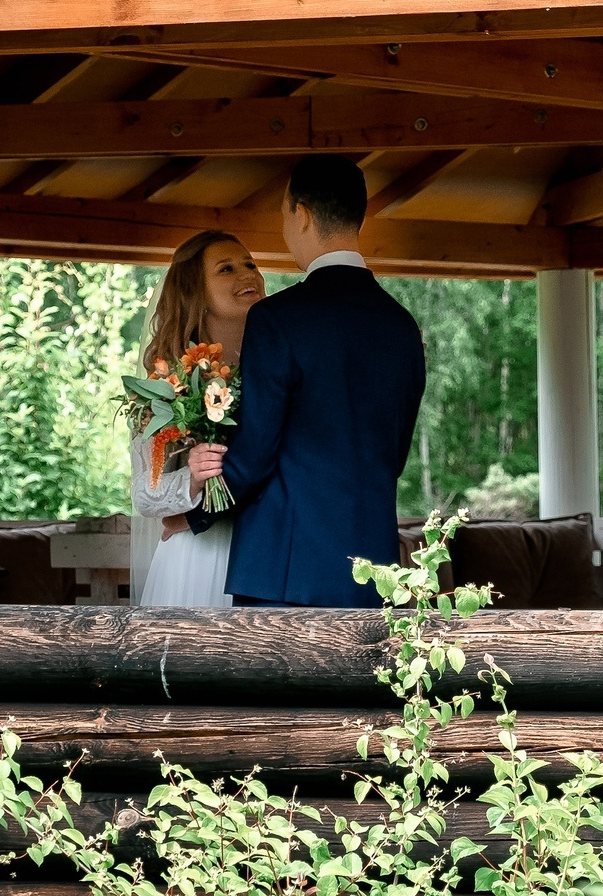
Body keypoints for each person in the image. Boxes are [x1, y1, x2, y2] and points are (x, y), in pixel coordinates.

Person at [185, 157, 425, 608]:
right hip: (374, 578)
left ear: (303, 214)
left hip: (283, 573)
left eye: (282, 215)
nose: (284, 230)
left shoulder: (277, 319)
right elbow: (393, 456)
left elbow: (255, 454)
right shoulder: (402, 326)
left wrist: (195, 515)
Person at [130, 229, 265, 608]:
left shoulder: (280, 368)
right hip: (200, 557)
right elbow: (144, 492)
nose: (248, 275)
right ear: (195, 293)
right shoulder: (166, 383)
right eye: (226, 269)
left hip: (267, 548)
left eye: (250, 264)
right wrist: (192, 478)